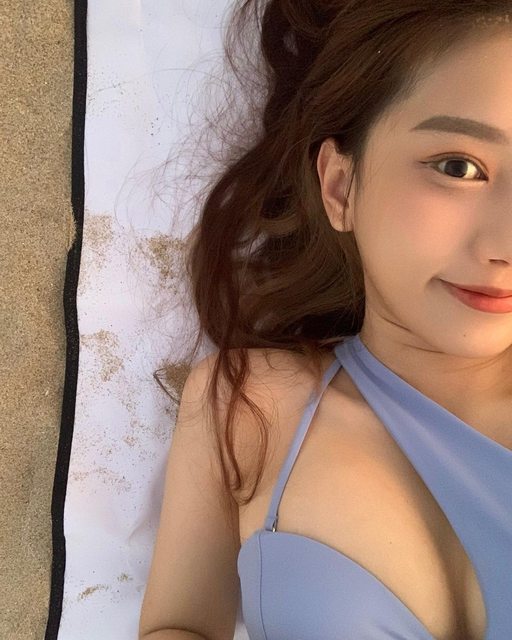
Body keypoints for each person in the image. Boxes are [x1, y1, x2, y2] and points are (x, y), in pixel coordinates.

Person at [138, 2, 512, 639]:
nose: (504, 243)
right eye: (458, 167)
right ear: (340, 186)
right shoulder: (248, 405)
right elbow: (179, 626)